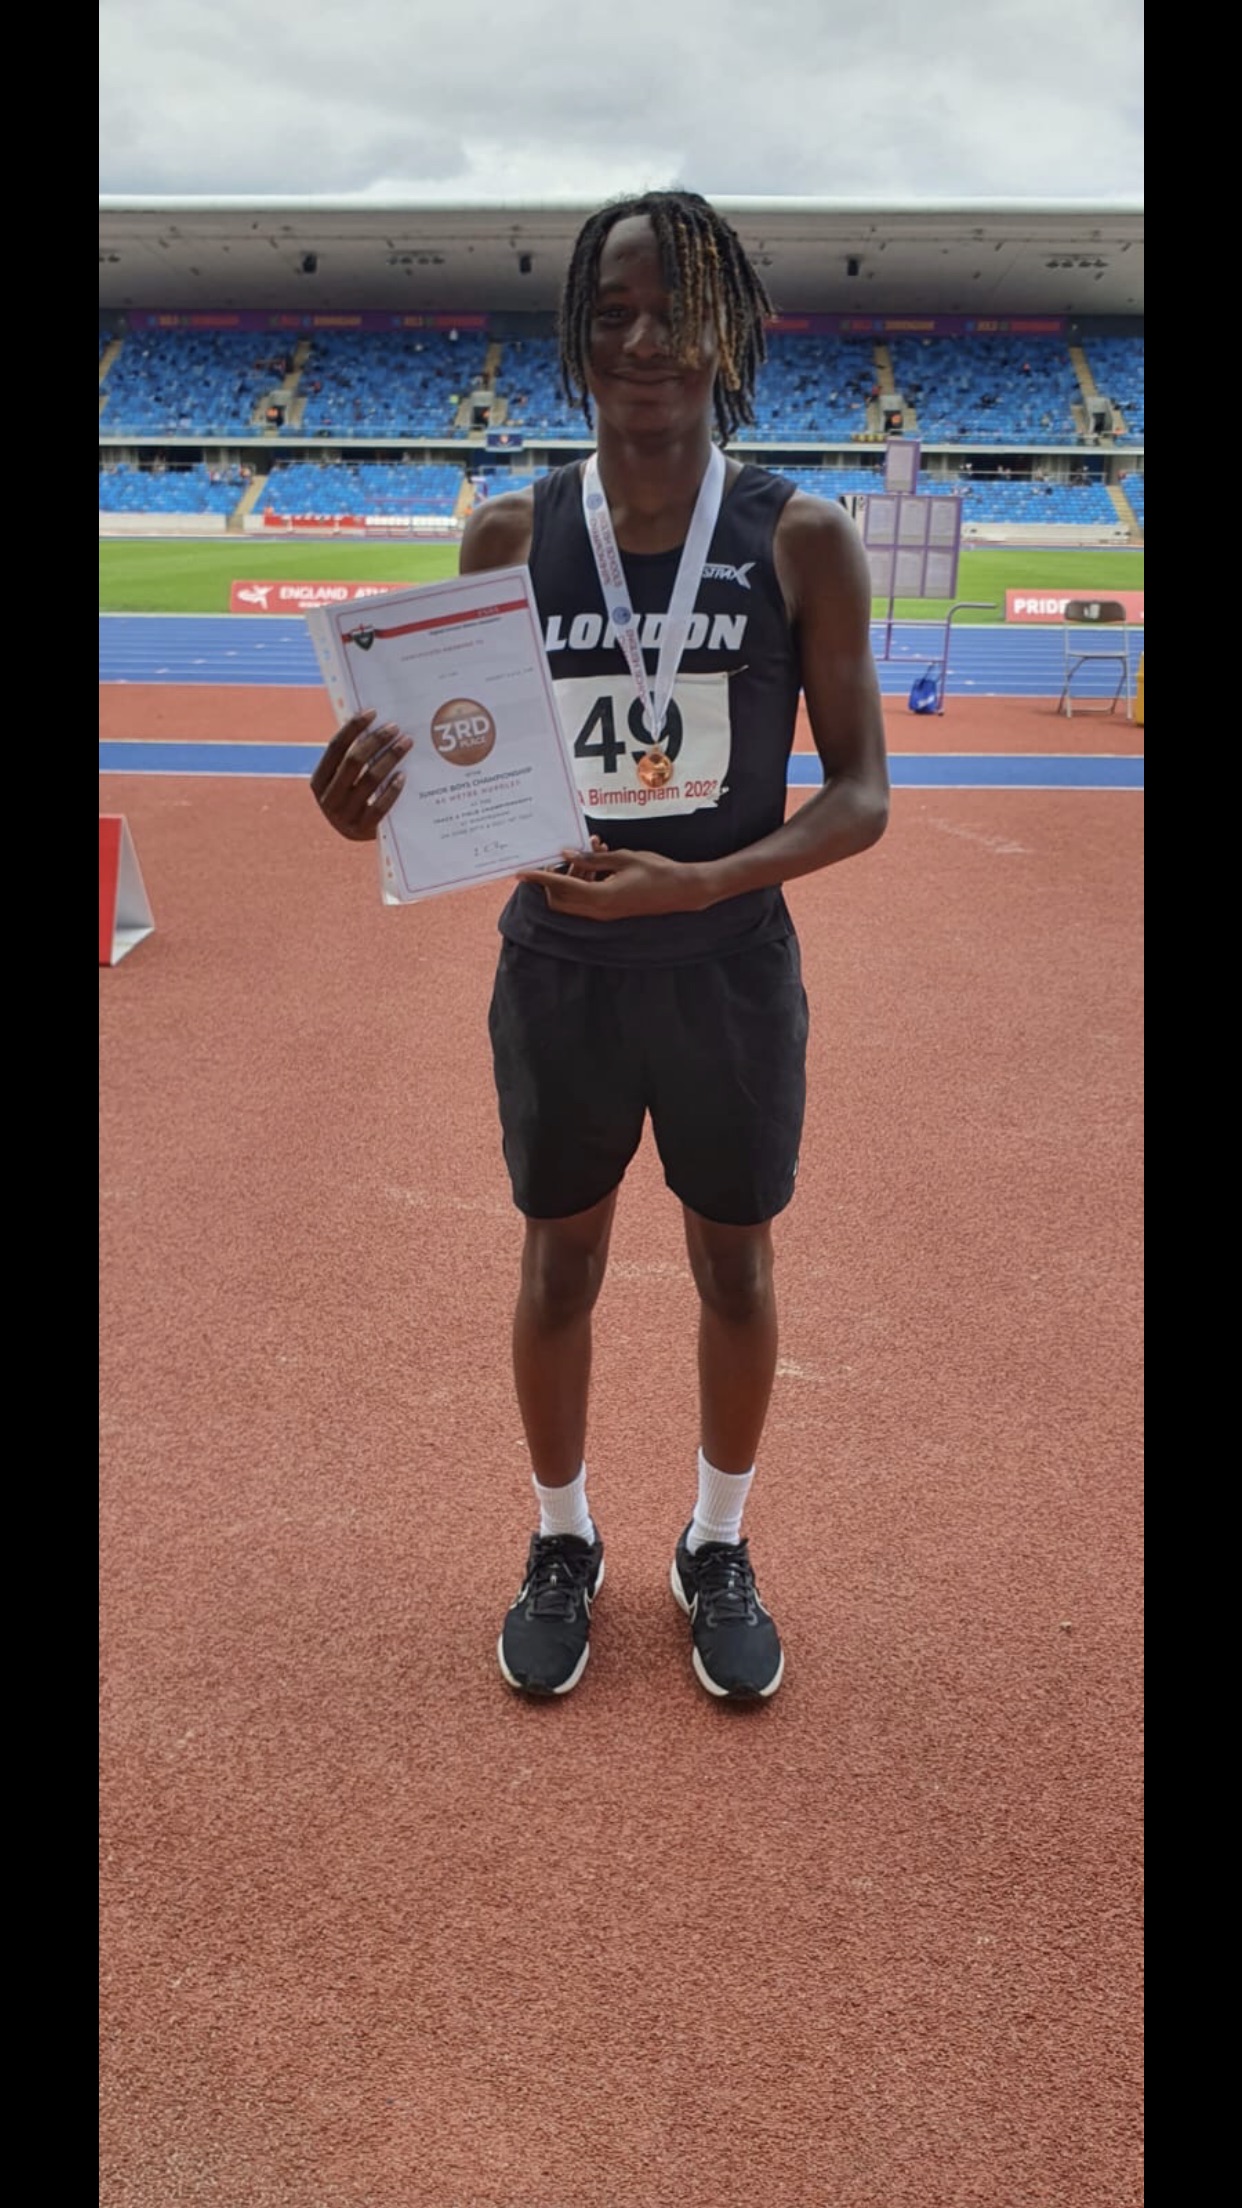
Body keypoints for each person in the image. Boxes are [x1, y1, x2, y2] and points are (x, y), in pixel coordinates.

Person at [310, 190, 890, 1703]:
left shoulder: (801, 537)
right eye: (612, 311)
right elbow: (445, 765)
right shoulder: (510, 533)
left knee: (734, 1266)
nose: (643, 339)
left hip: (727, 972)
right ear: (576, 337)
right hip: (560, 973)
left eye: (674, 310)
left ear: (729, 332)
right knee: (559, 1260)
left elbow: (861, 795)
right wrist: (369, 802)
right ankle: (562, 1538)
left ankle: (717, 1543)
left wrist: (697, 888)